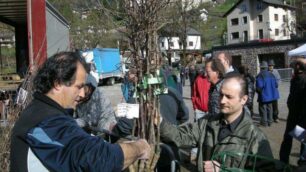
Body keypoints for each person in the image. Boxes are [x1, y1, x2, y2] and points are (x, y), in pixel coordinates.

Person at [10, 51, 150, 172]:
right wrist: (139, 147)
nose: (83, 94)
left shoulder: (43, 113)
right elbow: (97, 159)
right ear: (58, 83)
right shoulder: (44, 122)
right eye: (79, 86)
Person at [160, 74, 273, 172]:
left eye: (229, 97)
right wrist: (159, 122)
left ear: (243, 99)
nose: (222, 101)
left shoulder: (255, 138)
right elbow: (180, 136)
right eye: (221, 95)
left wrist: (225, 170)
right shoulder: (206, 123)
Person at [279, 59, 306, 165]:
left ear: (299, 66)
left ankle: (288, 161)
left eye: (295, 65)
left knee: (299, 139)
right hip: (296, 115)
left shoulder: (300, 79)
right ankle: (296, 162)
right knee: (296, 139)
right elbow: (291, 97)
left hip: (299, 116)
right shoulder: (295, 79)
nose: (293, 67)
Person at [256, 61, 279, 127]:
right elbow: (276, 85)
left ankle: (264, 123)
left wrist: (257, 91)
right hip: (271, 96)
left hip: (264, 95)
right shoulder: (272, 75)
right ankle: (270, 121)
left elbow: (259, 87)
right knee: (270, 108)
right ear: (266, 67)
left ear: (261, 68)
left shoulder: (260, 75)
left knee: (263, 108)